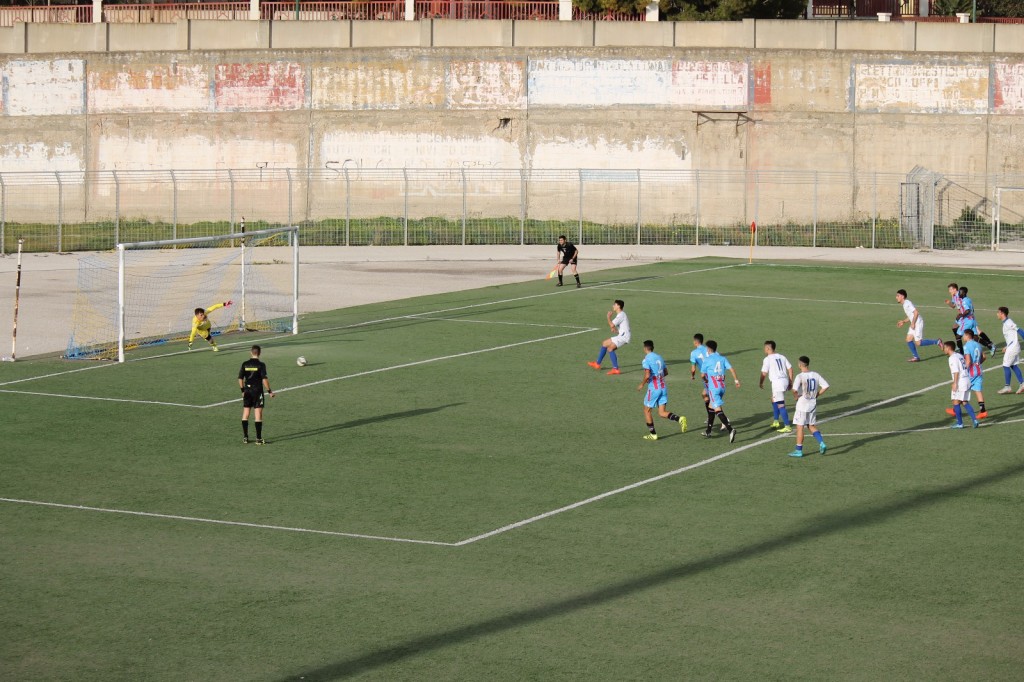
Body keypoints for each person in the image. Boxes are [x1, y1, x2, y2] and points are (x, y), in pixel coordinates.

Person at [637, 340, 686, 441]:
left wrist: (642, 384)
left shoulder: (646, 359)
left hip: (654, 389)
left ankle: (653, 434)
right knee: (661, 412)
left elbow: (647, 375)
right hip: (663, 387)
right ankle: (680, 419)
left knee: (646, 410)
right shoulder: (659, 357)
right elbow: (666, 372)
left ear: (645, 348)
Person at [788, 356, 829, 457]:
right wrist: (817, 395)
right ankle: (822, 443)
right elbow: (826, 386)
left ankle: (798, 450)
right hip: (812, 404)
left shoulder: (800, 376)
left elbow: (794, 390)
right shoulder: (815, 374)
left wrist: (796, 397)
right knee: (810, 425)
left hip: (802, 405)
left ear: (800, 365)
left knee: (800, 427)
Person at [701, 339, 740, 442]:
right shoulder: (722, 358)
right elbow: (732, 369)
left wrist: (706, 380)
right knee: (711, 407)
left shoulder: (707, 360)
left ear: (709, 349)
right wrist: (736, 381)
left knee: (717, 409)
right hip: (722, 387)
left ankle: (730, 429)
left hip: (714, 388)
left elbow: (702, 375)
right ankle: (708, 431)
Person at [239, 344, 274, 444]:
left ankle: (245, 437)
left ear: (251, 352)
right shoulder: (261, 365)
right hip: (257, 391)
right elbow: (264, 379)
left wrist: (242, 391)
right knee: (258, 414)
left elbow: (240, 378)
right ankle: (258, 439)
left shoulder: (245, 364)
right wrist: (270, 391)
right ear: (259, 353)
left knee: (245, 413)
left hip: (247, 391)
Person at [895, 289, 941, 362]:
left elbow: (916, 313)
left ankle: (937, 341)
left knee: (918, 343)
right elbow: (911, 315)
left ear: (902, 296)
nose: (896, 297)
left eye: (898, 295)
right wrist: (903, 321)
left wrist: (913, 323)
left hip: (917, 322)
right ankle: (916, 357)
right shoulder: (904, 304)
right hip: (914, 322)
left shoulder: (907, 303)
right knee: (908, 339)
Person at [759, 340, 794, 433]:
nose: (764, 349)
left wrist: (761, 382)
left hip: (777, 383)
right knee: (773, 399)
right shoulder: (782, 357)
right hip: (784, 381)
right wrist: (790, 381)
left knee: (780, 404)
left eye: (764, 347)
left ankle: (787, 426)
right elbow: (790, 368)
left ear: (767, 348)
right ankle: (776, 421)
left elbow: (764, 373)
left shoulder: (767, 359)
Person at [588, 299, 630, 375]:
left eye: (614, 305)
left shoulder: (621, 315)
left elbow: (611, 325)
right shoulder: (621, 315)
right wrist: (616, 331)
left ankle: (599, 364)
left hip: (623, 337)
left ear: (619, 306)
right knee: (609, 348)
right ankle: (608, 367)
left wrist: (608, 317)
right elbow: (623, 327)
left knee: (605, 343)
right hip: (623, 335)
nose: (613, 306)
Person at [944, 341, 979, 429]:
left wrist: (955, 383)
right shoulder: (959, 355)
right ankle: (975, 420)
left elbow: (956, 371)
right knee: (964, 402)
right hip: (967, 379)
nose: (943, 349)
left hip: (960, 382)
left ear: (948, 348)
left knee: (956, 402)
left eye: (944, 348)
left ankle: (960, 423)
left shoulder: (952, 358)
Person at [955, 329, 988, 418]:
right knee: (978, 390)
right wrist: (978, 363)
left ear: (967, 336)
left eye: (963, 335)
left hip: (971, 372)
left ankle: (956, 409)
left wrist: (963, 369)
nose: (962, 337)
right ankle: (983, 411)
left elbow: (968, 361)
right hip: (979, 370)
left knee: (961, 388)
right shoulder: (978, 344)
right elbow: (984, 357)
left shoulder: (966, 346)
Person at [956, 286, 995, 352]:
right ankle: (990, 346)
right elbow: (972, 310)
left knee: (958, 336)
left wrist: (961, 316)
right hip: (972, 320)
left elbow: (967, 310)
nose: (958, 293)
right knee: (975, 337)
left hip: (967, 321)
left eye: (960, 292)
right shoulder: (969, 299)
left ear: (964, 292)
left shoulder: (964, 301)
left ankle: (961, 353)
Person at [996, 306, 1024, 395]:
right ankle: (1022, 384)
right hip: (1012, 346)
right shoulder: (1005, 322)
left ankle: (1007, 386)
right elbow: (1011, 336)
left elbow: (1019, 330)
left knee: (1005, 365)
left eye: (998, 312)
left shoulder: (1009, 322)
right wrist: (1006, 346)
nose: (997, 314)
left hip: (1013, 347)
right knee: (1013, 365)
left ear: (1002, 314)